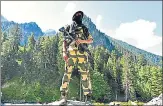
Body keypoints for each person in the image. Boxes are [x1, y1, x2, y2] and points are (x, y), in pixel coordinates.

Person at [60, 11, 93, 103]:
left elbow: (90, 40)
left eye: (80, 15)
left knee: (85, 74)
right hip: (71, 52)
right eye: (77, 15)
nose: (79, 16)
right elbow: (64, 41)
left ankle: (88, 97)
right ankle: (63, 95)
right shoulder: (68, 27)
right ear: (73, 17)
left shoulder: (84, 28)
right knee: (67, 72)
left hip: (82, 53)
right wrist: (64, 52)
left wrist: (81, 41)